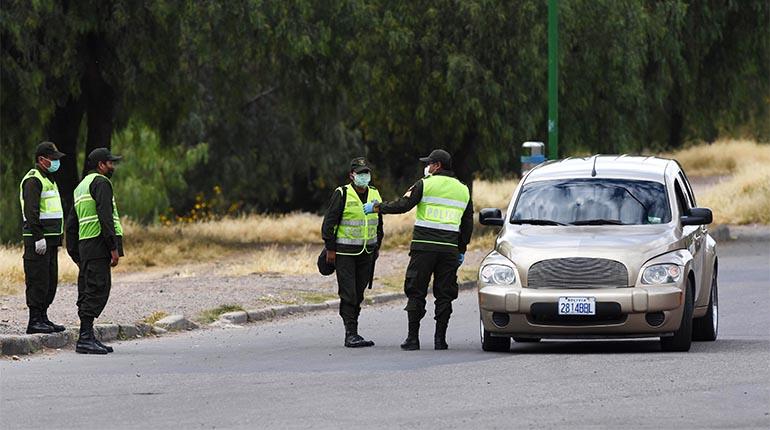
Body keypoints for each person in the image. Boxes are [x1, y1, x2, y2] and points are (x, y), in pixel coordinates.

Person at [365, 149, 472, 350]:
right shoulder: (463, 189)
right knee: (445, 294)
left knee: (416, 291)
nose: (427, 167)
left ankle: (412, 339)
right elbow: (467, 224)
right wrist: (461, 249)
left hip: (424, 248)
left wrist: (378, 207)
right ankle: (440, 340)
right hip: (449, 250)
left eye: (429, 163)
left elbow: (403, 205)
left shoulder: (425, 184)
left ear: (437, 166)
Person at [66, 147, 124, 354]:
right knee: (98, 288)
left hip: (86, 246)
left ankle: (88, 336)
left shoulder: (80, 187)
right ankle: (84, 338)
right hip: (99, 245)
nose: (112, 166)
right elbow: (105, 217)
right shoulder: (101, 183)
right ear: (101, 165)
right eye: (110, 163)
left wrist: (75, 253)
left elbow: (71, 224)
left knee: (88, 289)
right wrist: (113, 248)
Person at [321, 157, 384, 347]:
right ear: (352, 175)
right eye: (360, 173)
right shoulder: (342, 193)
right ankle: (351, 333)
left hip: (367, 251)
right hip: (345, 252)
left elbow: (378, 222)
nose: (364, 176)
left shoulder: (374, 193)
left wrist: (377, 246)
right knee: (349, 293)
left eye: (366, 173)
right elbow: (329, 223)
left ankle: (354, 331)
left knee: (359, 292)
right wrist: (331, 249)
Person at [19, 142, 67, 334]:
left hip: (51, 241)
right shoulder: (33, 180)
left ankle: (43, 317)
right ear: (41, 159)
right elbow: (31, 211)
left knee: (49, 281)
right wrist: (38, 237)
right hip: (38, 241)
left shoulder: (49, 179)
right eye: (53, 158)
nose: (56, 162)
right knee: (37, 280)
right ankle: (34, 321)